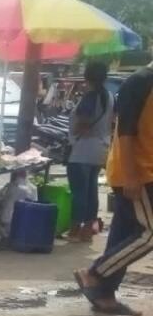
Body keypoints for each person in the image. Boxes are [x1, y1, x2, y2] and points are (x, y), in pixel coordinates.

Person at [75, 62, 153, 316]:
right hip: (138, 172)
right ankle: (94, 273)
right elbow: (126, 133)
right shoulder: (141, 81)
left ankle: (104, 294)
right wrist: (131, 176)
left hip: (142, 171)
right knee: (149, 234)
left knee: (122, 234)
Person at [65, 62, 114, 242]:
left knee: (79, 192)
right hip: (100, 148)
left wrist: (75, 132)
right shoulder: (109, 96)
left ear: (87, 77)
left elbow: (83, 123)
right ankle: (87, 230)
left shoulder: (91, 96)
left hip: (83, 149)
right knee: (91, 191)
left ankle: (74, 230)